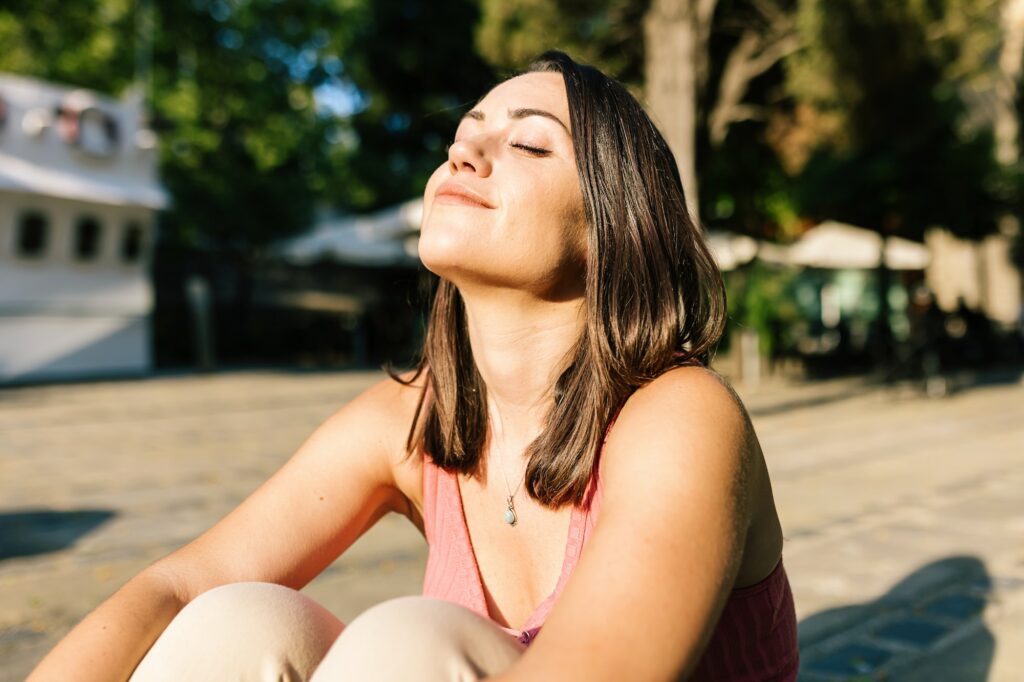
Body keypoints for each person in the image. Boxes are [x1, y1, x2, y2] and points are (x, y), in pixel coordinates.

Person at [28, 50, 798, 682]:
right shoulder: (412, 418)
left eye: (529, 145)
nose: (464, 154)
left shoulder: (681, 416)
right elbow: (178, 585)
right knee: (235, 622)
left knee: (410, 647)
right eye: (463, 138)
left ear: (610, 226)